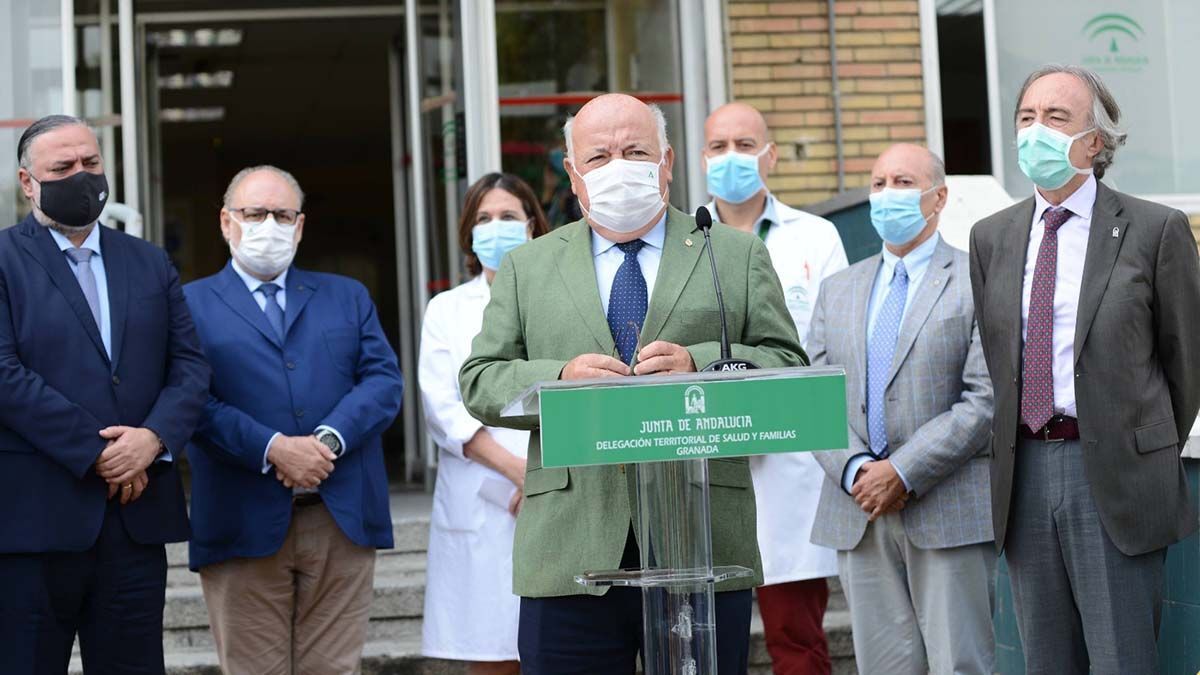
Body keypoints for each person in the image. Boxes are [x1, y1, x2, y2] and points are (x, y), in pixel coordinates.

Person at [459, 93, 807, 675]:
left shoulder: (735, 255)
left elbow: (789, 367)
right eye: (598, 156)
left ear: (667, 162)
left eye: (635, 150)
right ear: (573, 174)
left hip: (703, 540)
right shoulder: (529, 266)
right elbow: (480, 381)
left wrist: (700, 364)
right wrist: (560, 376)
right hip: (570, 542)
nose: (618, 165)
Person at [970, 65, 1200, 674]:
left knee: (1124, 659)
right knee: (1045, 661)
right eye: (1026, 117)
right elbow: (1001, 363)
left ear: (1094, 141)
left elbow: (1185, 364)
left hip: (1115, 477)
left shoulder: (1155, 229)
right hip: (1024, 474)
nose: (1035, 131)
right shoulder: (990, 237)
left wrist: (1140, 445)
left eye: (1055, 117)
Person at [0, 114, 210, 673]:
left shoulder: (148, 261)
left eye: (90, 164)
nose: (81, 176)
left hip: (135, 526)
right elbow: (4, 373)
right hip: (34, 525)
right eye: (62, 167)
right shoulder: (2, 261)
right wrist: (101, 453)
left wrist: (153, 439)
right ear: (27, 182)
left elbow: (189, 365)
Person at [183, 165, 404, 674]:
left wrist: (325, 441)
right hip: (241, 523)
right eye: (254, 213)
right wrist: (273, 448)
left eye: (282, 215)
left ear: (300, 226)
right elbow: (191, 401)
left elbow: (383, 383)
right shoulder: (188, 304)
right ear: (225, 222)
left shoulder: (346, 296)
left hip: (340, 518)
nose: (269, 225)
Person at [808, 143, 995, 674]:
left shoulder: (977, 281)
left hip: (947, 507)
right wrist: (855, 470)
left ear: (939, 197)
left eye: (903, 182)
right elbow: (815, 396)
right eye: (878, 183)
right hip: (858, 511)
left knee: (962, 664)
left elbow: (985, 400)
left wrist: (903, 470)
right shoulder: (837, 289)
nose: (888, 194)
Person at [701, 101, 848, 675]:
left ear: (772, 155)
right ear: (700, 156)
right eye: (718, 146)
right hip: (707, 462)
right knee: (711, 643)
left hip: (790, 466)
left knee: (797, 641)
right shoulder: (681, 239)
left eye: (744, 144)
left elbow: (833, 348)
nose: (731, 157)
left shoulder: (815, 237)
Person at [419, 172, 551, 673]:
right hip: (482, 496)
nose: (495, 228)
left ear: (534, 226)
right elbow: (443, 409)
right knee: (491, 653)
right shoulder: (447, 310)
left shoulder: (562, 303)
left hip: (555, 492)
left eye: (508, 218)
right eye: (483, 219)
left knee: (560, 648)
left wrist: (540, 473)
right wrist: (517, 471)